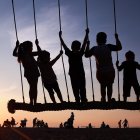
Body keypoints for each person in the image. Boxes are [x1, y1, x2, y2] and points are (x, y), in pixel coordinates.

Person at [85, 32, 122, 102]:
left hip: (100, 72)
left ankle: (104, 99)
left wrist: (87, 45)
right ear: (105, 40)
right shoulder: (109, 46)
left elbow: (86, 55)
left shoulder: (94, 48)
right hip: (110, 71)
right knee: (110, 85)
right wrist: (117, 38)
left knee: (102, 85)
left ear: (96, 40)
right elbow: (119, 47)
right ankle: (109, 99)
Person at [59, 28, 89, 103]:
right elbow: (84, 44)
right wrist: (87, 34)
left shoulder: (70, 53)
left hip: (72, 73)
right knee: (82, 86)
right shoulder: (80, 53)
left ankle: (77, 99)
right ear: (79, 47)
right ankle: (83, 99)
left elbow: (64, 45)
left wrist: (60, 37)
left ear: (72, 47)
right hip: (81, 72)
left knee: (75, 87)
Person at [13, 40, 41, 105]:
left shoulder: (21, 55)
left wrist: (17, 46)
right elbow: (40, 52)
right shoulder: (29, 54)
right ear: (28, 48)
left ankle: (32, 101)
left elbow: (14, 54)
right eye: (32, 47)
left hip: (28, 73)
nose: (32, 48)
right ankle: (34, 102)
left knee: (32, 87)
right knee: (34, 87)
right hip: (34, 72)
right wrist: (37, 44)